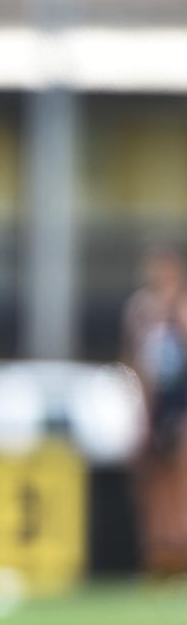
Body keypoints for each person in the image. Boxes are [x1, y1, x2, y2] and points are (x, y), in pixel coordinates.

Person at [122, 242, 187, 574]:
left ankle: (180, 550)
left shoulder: (181, 307)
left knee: (180, 478)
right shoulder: (140, 309)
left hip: (180, 403)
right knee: (152, 481)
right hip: (152, 403)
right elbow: (135, 361)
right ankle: (159, 553)